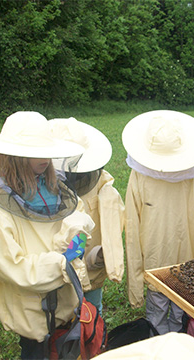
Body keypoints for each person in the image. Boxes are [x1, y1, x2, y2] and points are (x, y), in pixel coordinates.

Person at [0, 111, 95, 359]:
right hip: (33, 312)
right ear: (15, 156)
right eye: (36, 152)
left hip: (67, 302)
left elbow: (81, 222)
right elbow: (8, 265)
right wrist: (62, 262)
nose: (46, 158)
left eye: (47, 150)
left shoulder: (58, 188)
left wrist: (77, 245)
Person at [123, 110, 194, 335]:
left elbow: (133, 230)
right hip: (187, 263)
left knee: (159, 319)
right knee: (179, 318)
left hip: (157, 260)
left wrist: (135, 283)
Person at [49, 117, 125, 314]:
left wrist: (99, 254)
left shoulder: (102, 184)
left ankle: (94, 339)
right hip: (55, 266)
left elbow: (112, 225)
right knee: (60, 314)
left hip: (91, 265)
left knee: (92, 311)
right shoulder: (41, 186)